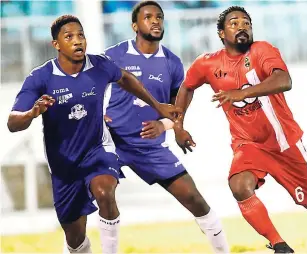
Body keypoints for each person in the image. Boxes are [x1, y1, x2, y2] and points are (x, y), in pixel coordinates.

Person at [172, 6, 307, 254]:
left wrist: (241, 93)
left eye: (246, 23)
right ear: (221, 33)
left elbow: (284, 81)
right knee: (239, 187)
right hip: (248, 145)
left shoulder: (262, 51)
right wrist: (178, 126)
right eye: (234, 23)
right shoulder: (207, 63)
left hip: (284, 143)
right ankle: (279, 245)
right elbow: (187, 87)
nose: (242, 27)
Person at [7, 14, 181, 254]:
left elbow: (126, 78)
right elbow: (12, 123)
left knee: (104, 192)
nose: (78, 41)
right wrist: (32, 113)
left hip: (98, 149)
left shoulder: (100, 65)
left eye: (81, 35)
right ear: (56, 45)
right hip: (64, 165)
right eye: (69, 37)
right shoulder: (41, 77)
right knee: (75, 239)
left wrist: (158, 106)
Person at [103, 1, 229, 253]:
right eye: (148, 17)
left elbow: (177, 109)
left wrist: (165, 125)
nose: (155, 21)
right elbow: (91, 89)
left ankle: (223, 250)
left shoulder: (172, 62)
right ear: (134, 25)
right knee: (101, 195)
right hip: (112, 141)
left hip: (149, 147)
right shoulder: (114, 54)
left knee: (194, 199)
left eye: (159, 17)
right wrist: (98, 117)